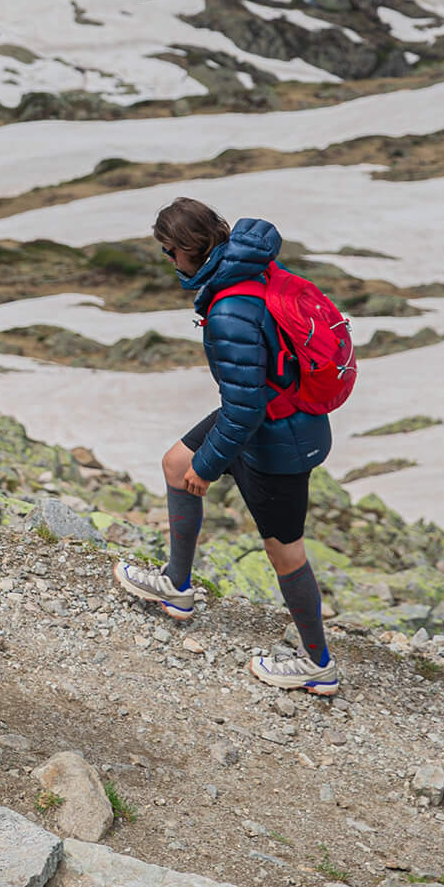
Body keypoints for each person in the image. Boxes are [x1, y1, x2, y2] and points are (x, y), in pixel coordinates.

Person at [113, 199, 340, 695]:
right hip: (275, 413)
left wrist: (210, 466)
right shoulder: (249, 268)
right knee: (176, 463)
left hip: (279, 439)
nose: (171, 264)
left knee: (285, 552)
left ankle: (317, 664)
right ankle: (177, 588)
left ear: (189, 250)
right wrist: (198, 461)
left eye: (171, 253)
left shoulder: (230, 310)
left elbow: (245, 408)